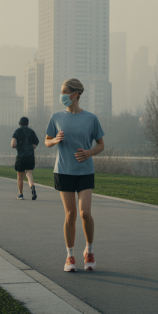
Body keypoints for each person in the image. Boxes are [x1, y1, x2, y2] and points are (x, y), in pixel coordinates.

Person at [45, 78, 105, 272]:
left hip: (85, 171)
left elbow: (101, 145)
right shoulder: (56, 117)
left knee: (85, 213)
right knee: (70, 215)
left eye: (65, 92)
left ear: (76, 94)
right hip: (64, 171)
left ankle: (89, 251)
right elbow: (46, 141)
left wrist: (89, 153)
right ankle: (70, 256)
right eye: (61, 91)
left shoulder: (91, 118)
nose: (62, 95)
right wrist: (55, 140)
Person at [12, 116, 39, 200]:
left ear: (20, 123)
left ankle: (21, 194)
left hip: (21, 157)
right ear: (27, 123)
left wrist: (19, 145)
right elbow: (35, 144)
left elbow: (13, 145)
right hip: (30, 156)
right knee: (29, 174)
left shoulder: (17, 131)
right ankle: (32, 186)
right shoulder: (32, 132)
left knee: (20, 177)